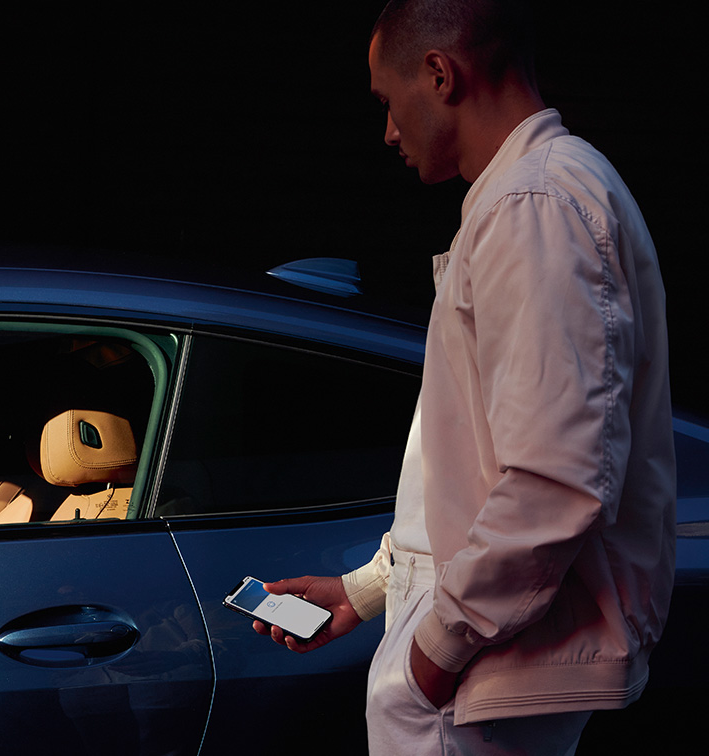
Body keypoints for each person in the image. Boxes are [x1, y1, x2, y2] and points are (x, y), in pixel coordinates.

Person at [252, 1, 675, 753]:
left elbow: (555, 482)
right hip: (481, 664)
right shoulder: (535, 194)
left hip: (479, 676)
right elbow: (470, 474)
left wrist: (433, 656)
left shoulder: (535, 204)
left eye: (388, 101)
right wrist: (368, 590)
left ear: (441, 75)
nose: (388, 132)